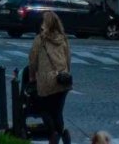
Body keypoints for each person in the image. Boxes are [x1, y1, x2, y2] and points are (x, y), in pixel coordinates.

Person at [28, 12, 72, 144]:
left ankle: (53, 133)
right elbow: (68, 59)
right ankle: (62, 132)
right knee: (58, 110)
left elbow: (33, 61)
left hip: (47, 80)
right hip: (62, 79)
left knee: (44, 109)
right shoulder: (63, 38)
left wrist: (32, 76)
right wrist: (65, 72)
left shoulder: (39, 40)